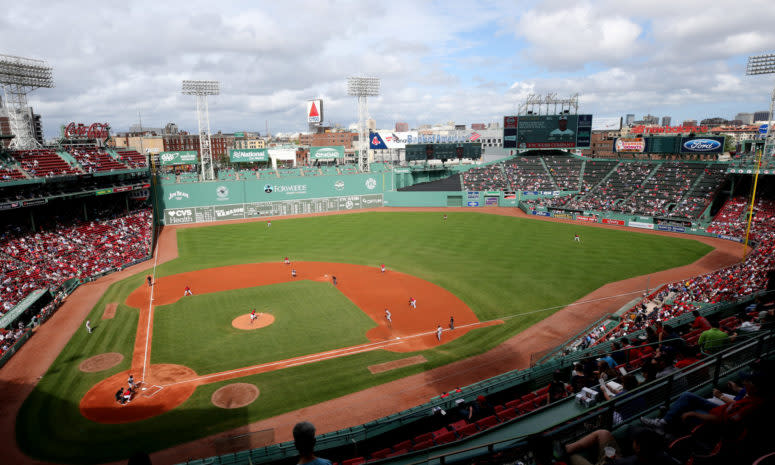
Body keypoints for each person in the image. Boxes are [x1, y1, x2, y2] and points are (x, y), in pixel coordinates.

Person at [554, 426, 671, 465]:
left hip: (613, 462)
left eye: (635, 441)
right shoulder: (664, 457)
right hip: (618, 460)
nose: (633, 442)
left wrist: (610, 460)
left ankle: (565, 451)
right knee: (603, 433)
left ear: (639, 447)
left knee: (572, 456)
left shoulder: (630, 463)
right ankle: (567, 448)